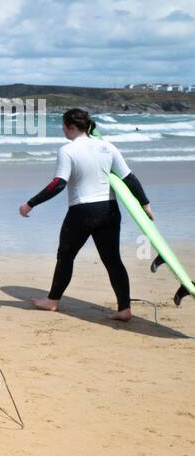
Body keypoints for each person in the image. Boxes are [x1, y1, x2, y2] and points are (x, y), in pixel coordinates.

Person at [20, 108, 151, 321]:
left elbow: (58, 184)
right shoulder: (107, 147)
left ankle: (52, 301)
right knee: (112, 260)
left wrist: (30, 203)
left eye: (63, 126)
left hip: (82, 212)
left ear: (71, 126)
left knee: (65, 257)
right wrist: (145, 204)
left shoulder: (68, 150)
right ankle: (124, 308)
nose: (62, 130)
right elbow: (129, 178)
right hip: (109, 210)